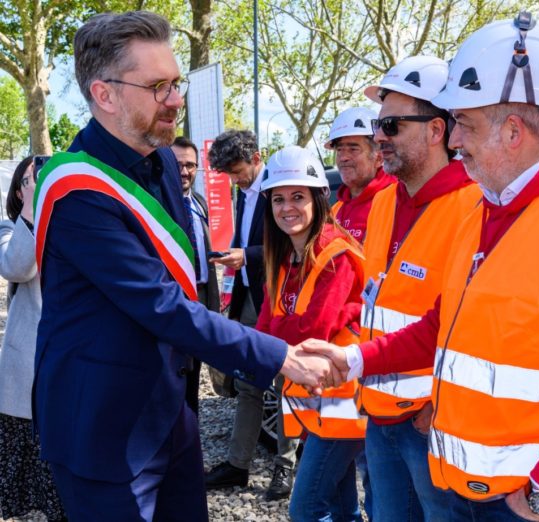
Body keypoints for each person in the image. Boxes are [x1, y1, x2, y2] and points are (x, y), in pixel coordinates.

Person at [306, 12, 539, 522]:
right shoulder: (487, 209)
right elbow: (442, 327)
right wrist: (354, 361)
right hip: (473, 495)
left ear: (513, 131)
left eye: (464, 124)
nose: (456, 140)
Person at [32, 11, 332, 522]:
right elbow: (161, 303)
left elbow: (188, 282)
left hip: (172, 411)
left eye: (177, 84)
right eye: (158, 87)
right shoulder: (75, 190)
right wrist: (279, 355)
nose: (176, 100)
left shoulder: (166, 160)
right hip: (103, 427)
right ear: (105, 95)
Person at [357, 55, 482, 522]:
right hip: (380, 414)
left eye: (391, 125)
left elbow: (470, 326)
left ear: (435, 131)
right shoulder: (386, 200)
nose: (378, 137)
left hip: (430, 425)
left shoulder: (473, 205)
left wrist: (436, 407)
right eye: (377, 124)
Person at [258, 145, 365, 522]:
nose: (287, 207)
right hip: (315, 400)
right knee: (340, 506)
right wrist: (275, 336)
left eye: (298, 197)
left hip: (343, 400)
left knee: (305, 508)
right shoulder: (285, 256)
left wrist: (273, 339)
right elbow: (265, 327)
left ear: (319, 198)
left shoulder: (335, 252)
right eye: (279, 199)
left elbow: (313, 329)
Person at [204, 129, 299, 500]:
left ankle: (285, 468)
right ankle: (237, 465)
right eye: (227, 172)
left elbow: (292, 243)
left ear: (257, 156)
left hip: (277, 299)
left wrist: (248, 255)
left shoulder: (280, 189)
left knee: (285, 386)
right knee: (247, 383)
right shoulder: (243, 195)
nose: (234, 177)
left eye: (237, 168)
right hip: (248, 298)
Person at [0, 157, 65, 522]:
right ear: (18, 190)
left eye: (41, 179)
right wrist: (31, 208)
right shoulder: (8, 228)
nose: (36, 184)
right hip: (26, 367)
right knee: (34, 487)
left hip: (68, 361)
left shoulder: (69, 226)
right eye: (28, 180)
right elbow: (17, 266)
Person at [171, 135, 220, 416]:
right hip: (174, 302)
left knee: (194, 371)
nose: (185, 171)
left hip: (201, 296)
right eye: (178, 164)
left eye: (190, 165)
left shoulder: (199, 203)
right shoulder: (155, 205)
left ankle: (190, 433)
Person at [324, 107, 393, 242]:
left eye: (353, 149)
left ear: (379, 158)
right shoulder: (335, 211)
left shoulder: (396, 201)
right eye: (340, 150)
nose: (343, 157)